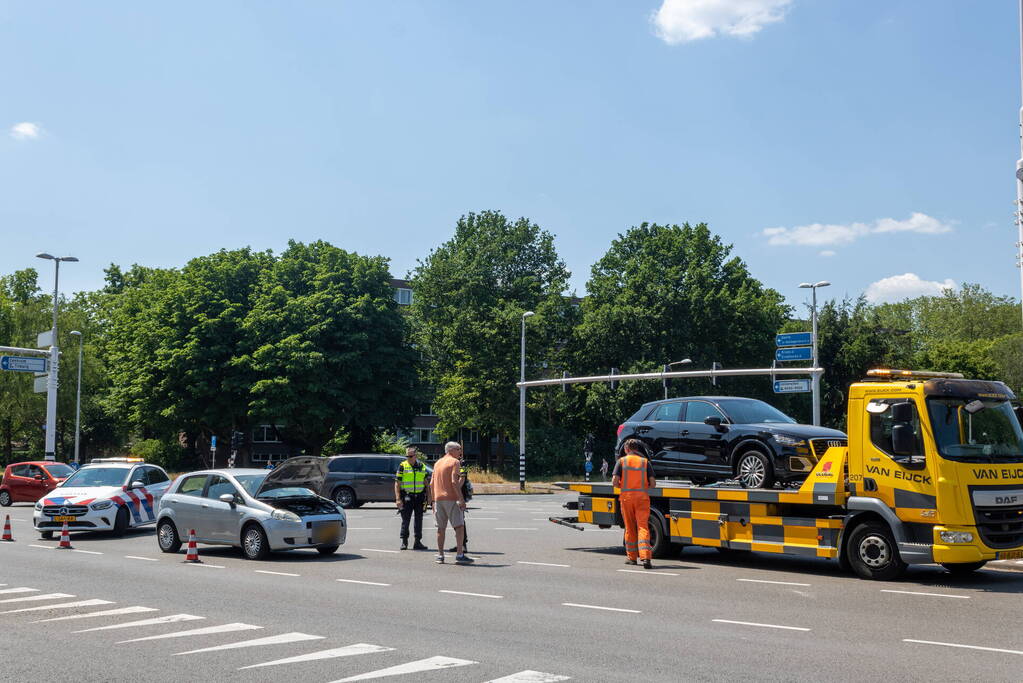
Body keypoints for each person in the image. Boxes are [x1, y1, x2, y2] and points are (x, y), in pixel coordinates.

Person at [612, 438, 657, 569]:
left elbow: (615, 482)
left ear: (626, 449)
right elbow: (653, 484)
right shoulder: (645, 462)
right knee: (643, 527)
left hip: (627, 498)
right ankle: (646, 558)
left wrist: (624, 486)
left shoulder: (621, 462)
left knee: (630, 527)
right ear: (637, 449)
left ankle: (632, 558)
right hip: (642, 498)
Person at [431, 441, 472, 564]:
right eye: (458, 449)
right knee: (459, 527)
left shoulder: (437, 463)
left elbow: (432, 483)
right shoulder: (455, 462)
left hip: (438, 499)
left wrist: (432, 501)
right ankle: (460, 554)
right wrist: (461, 499)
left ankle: (440, 555)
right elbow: (454, 482)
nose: (460, 451)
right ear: (451, 450)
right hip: (452, 498)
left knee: (440, 528)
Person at [395, 447, 431, 550]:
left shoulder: (421, 466)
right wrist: (398, 499)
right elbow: (397, 483)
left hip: (419, 497)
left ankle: (417, 542)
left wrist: (429, 496)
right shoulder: (403, 466)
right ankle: (404, 542)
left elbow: (426, 483)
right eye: (407, 456)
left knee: (419, 520)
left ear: (415, 456)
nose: (408, 458)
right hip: (407, 496)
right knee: (405, 520)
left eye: (410, 456)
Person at [448, 449, 473, 553]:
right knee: (455, 520)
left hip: (458, 494)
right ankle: (460, 544)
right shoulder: (453, 462)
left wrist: (455, 491)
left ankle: (463, 545)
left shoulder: (461, 463)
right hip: (453, 494)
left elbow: (462, 479)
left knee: (460, 520)